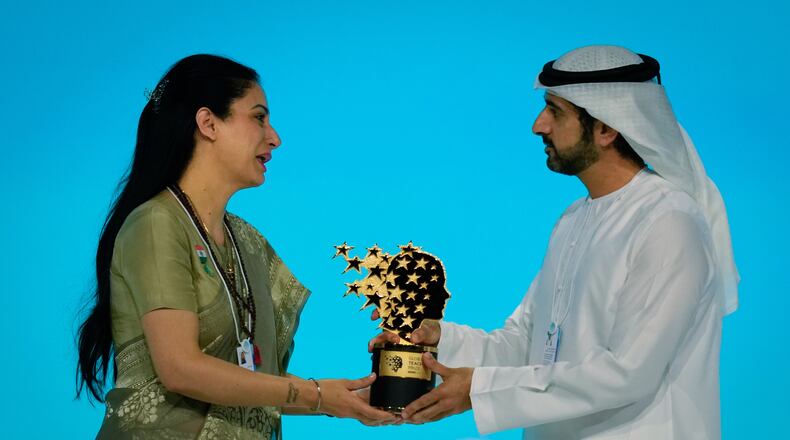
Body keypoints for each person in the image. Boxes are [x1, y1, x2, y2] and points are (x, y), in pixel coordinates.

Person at [371, 45, 739, 439]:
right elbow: (531, 343)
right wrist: (440, 340)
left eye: (555, 111)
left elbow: (629, 373)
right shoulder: (573, 220)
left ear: (606, 128)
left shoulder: (668, 223)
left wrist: (479, 391)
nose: (538, 125)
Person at [76, 54, 395, 439]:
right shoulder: (157, 224)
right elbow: (181, 368)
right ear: (208, 123)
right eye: (258, 117)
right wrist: (317, 396)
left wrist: (342, 397)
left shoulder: (248, 242)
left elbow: (250, 379)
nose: (274, 136)